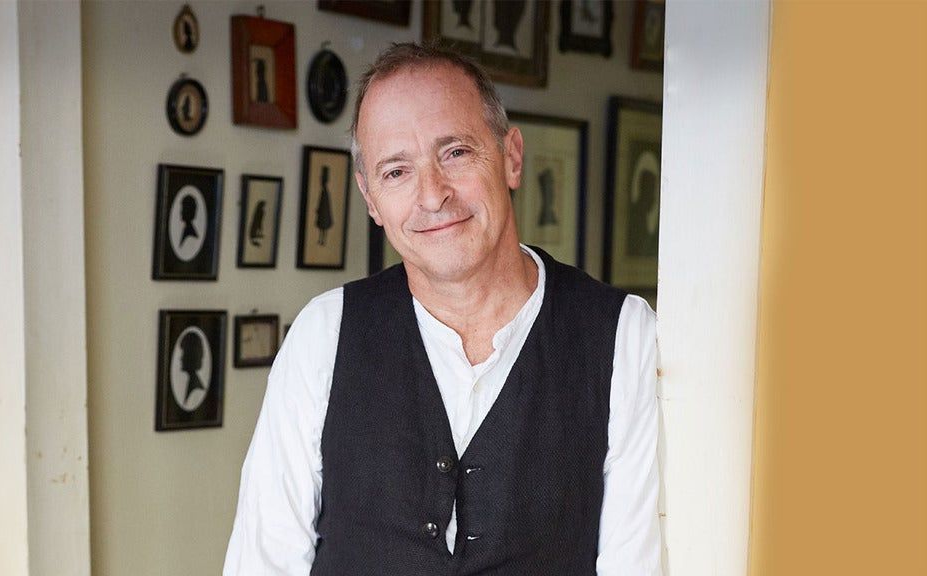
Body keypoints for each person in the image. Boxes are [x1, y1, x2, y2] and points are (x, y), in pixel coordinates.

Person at [223, 42, 661, 575]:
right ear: (369, 198)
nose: (433, 196)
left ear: (512, 157)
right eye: (396, 172)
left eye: (455, 153)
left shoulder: (622, 336)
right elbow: (263, 562)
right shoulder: (323, 335)